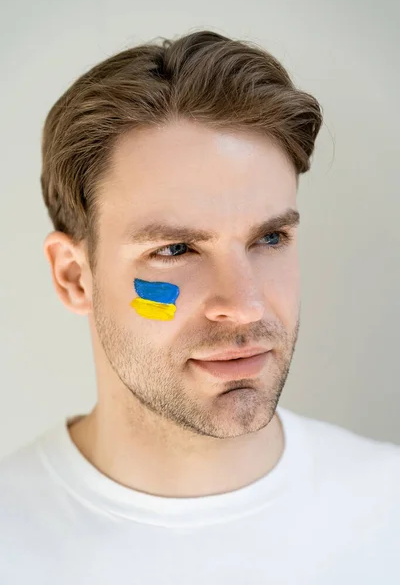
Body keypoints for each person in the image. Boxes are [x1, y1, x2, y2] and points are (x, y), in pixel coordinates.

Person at [0, 29, 399, 585]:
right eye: (175, 249)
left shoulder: (388, 511)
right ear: (74, 277)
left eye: (270, 239)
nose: (243, 305)